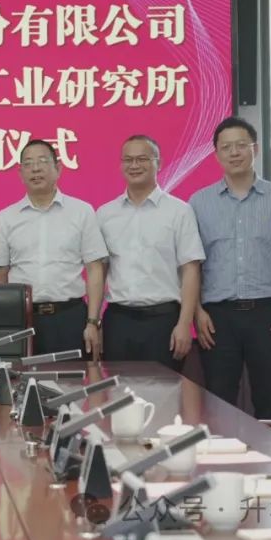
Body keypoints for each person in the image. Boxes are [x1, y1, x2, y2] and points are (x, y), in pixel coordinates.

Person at [189, 116, 271, 419]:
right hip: (216, 318)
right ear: (216, 154)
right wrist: (197, 312)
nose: (234, 153)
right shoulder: (199, 203)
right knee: (219, 403)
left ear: (254, 149)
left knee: (270, 402)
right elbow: (191, 263)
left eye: (241, 145)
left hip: (267, 315)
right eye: (226, 147)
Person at [96, 135, 205, 371]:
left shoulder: (180, 211)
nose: (134, 165)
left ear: (159, 163)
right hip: (118, 321)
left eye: (142, 159)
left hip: (164, 321)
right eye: (128, 160)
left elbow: (191, 269)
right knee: (119, 391)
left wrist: (184, 324)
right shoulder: (105, 214)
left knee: (164, 391)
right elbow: (99, 272)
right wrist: (95, 322)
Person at [0, 139, 107, 358]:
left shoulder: (82, 211)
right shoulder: (6, 217)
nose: (35, 169)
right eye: (28, 164)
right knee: (21, 378)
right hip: (23, 319)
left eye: (42, 161)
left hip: (69, 317)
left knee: (72, 379)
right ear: (20, 173)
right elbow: (0, 275)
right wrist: (2, 324)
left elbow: (94, 270)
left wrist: (93, 322)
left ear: (58, 168)